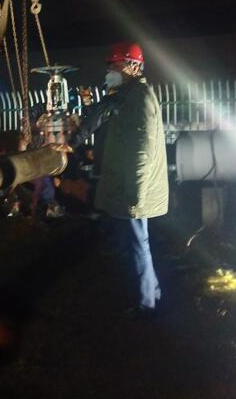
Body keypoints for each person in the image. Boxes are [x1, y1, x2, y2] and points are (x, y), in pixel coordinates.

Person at [69, 42, 169, 315]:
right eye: (110, 66)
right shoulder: (126, 94)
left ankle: (146, 304)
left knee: (138, 244)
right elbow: (98, 114)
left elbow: (143, 150)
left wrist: (135, 192)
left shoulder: (141, 98)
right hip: (128, 184)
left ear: (134, 67)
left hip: (133, 187)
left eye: (116, 65)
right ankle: (153, 292)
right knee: (139, 242)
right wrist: (72, 141)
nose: (110, 70)